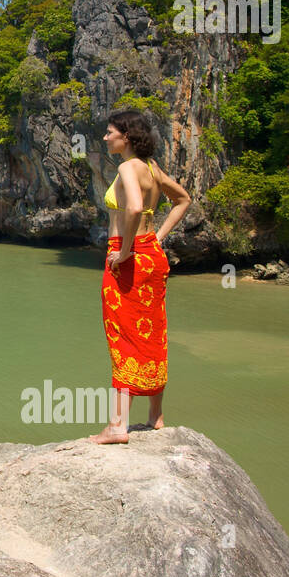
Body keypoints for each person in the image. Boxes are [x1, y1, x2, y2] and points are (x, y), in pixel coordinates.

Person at [89, 110, 192, 444]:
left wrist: (125, 250)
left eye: (110, 133)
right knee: (152, 334)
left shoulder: (127, 167)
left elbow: (133, 208)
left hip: (128, 257)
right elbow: (183, 200)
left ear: (126, 137)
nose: (106, 138)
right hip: (152, 256)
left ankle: (118, 426)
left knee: (124, 337)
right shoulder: (152, 168)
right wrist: (156, 238)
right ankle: (155, 416)